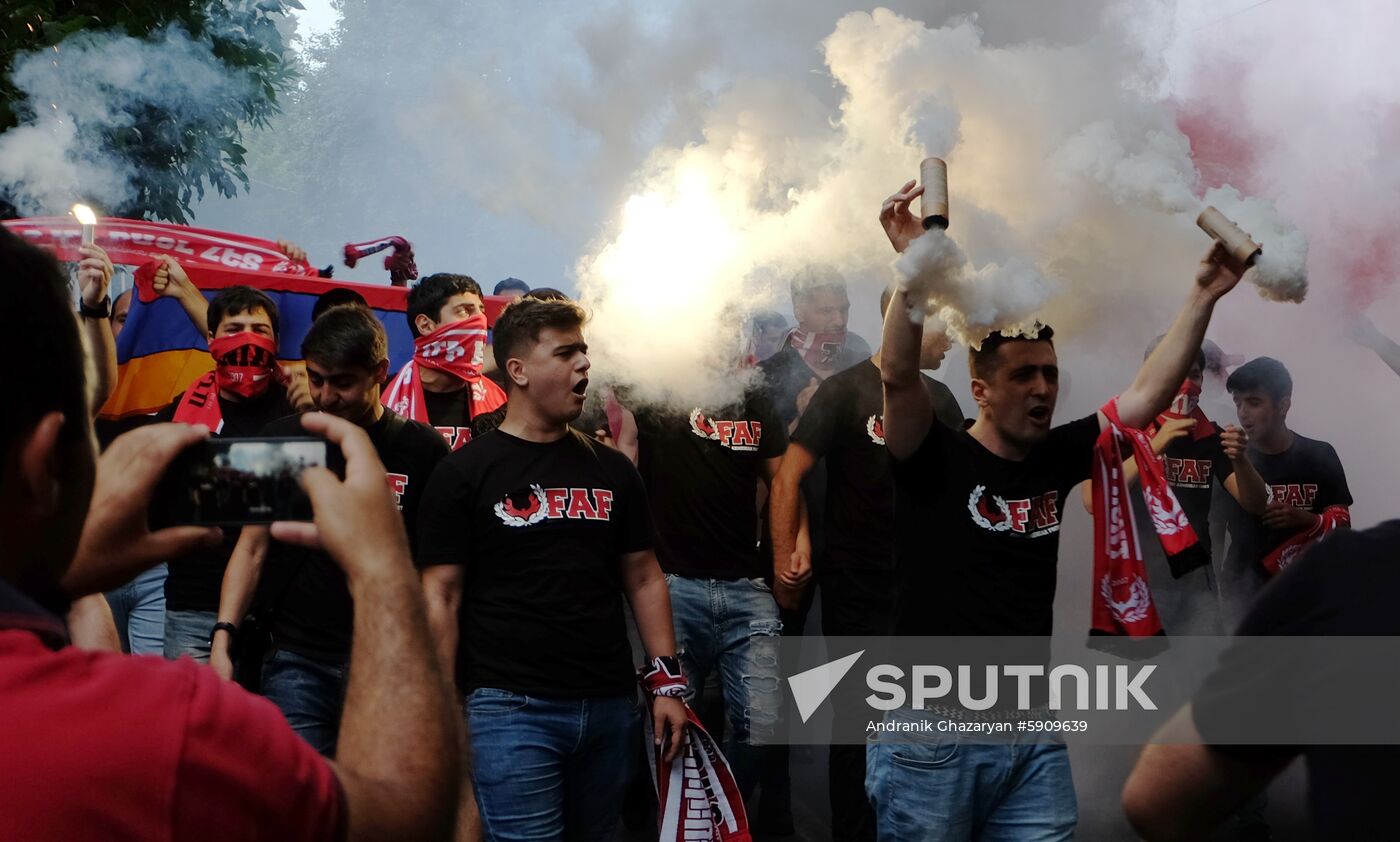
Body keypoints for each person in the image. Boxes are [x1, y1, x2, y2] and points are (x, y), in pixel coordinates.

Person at [0, 226, 457, 840]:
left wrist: (61, 579)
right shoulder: (171, 721)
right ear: (45, 462)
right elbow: (400, 814)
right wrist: (380, 571)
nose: (328, 395)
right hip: (288, 649)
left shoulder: (413, 448)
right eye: (93, 429)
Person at [866, 177, 1246, 841]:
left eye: (1050, 372)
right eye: (1023, 375)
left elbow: (1145, 395)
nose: (1043, 387)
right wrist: (914, 269)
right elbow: (898, 374)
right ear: (981, 390)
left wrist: (1203, 294)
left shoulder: (1056, 453)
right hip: (931, 730)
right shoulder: (933, 454)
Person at [417, 297, 688, 840]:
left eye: (583, 351)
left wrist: (667, 684)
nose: (584, 364)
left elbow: (642, 575)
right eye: (565, 353)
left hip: (609, 705)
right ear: (517, 371)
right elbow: (440, 594)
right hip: (509, 710)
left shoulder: (613, 469)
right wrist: (441, 705)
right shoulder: (462, 473)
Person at [768, 285, 963, 842]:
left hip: (921, 591)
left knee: (923, 722)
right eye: (944, 324)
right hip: (856, 587)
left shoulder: (942, 400)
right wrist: (786, 563)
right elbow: (787, 477)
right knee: (858, 722)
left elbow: (958, 493)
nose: (952, 338)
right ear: (909, 321)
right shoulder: (845, 390)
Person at [212, 306, 448, 756]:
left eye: (342, 383)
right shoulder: (278, 439)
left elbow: (433, 572)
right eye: (316, 379)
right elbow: (251, 549)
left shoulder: (424, 448)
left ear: (379, 371)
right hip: (295, 658)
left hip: (385, 661)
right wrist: (223, 636)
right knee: (301, 793)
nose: (326, 396)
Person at [1122, 520, 1400, 841]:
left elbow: (1154, 802)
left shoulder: (1349, 574)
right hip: (1196, 592)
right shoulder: (1349, 575)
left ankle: (1252, 822)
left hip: (1222, 592)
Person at [630, 349, 792, 798]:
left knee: (765, 723)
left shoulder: (754, 397)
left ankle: (721, 811)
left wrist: (790, 552)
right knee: (671, 725)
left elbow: (784, 482)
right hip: (673, 587)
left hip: (747, 587)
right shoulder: (658, 389)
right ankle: (687, 821)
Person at [1080, 338, 1267, 636]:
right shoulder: (1122, 428)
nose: (1187, 384)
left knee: (1202, 663)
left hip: (1197, 585)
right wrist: (1154, 446)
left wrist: (1240, 459)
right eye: (1177, 372)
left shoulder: (1211, 436)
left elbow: (1256, 504)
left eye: (1194, 374)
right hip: (1139, 583)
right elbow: (1093, 499)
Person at [154, 282, 300, 661]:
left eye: (259, 330)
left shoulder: (299, 411)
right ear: (210, 339)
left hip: (279, 616)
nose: (247, 339)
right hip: (194, 607)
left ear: (276, 341)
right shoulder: (178, 415)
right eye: (234, 329)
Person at [1218, 357, 1351, 627]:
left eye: (1254, 402)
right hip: (1243, 598)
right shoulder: (1230, 460)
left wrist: (1308, 520)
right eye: (1238, 402)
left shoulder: (1319, 455)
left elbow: (1343, 526)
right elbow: (1215, 530)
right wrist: (1213, 597)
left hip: (1306, 595)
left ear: (1283, 405)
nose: (1243, 413)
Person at [391, 273, 508, 452]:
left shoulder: (502, 404)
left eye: (481, 311)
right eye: (465, 311)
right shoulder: (381, 398)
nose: (481, 322)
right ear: (425, 325)